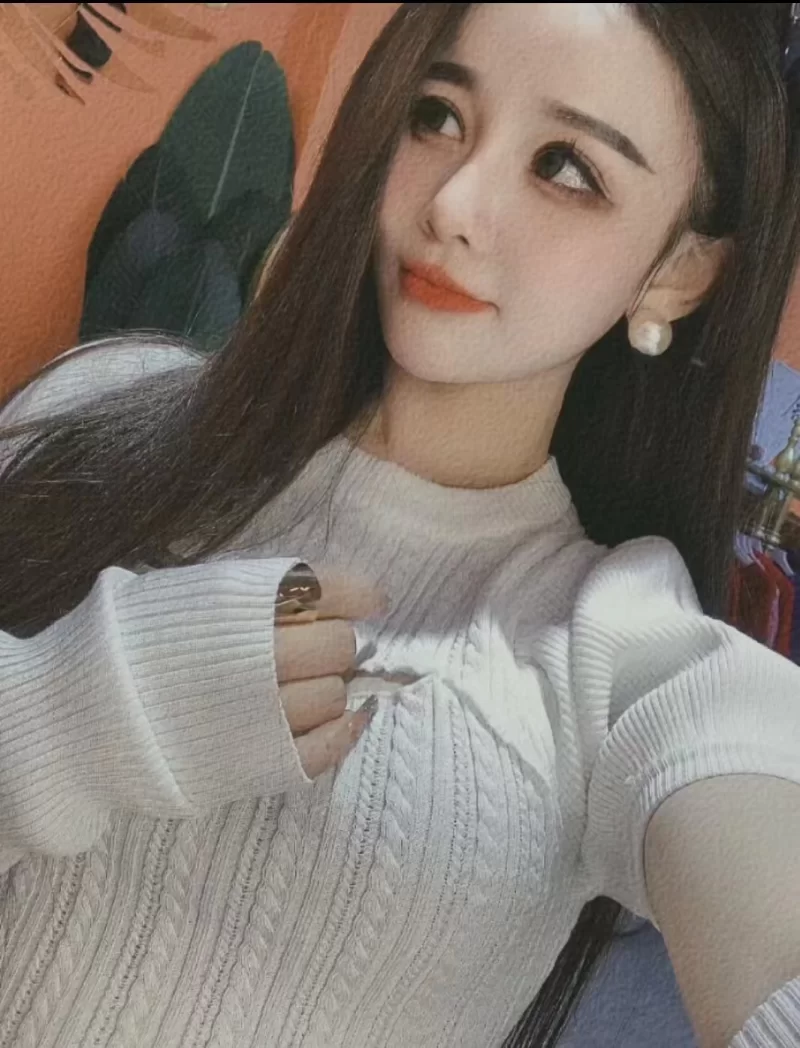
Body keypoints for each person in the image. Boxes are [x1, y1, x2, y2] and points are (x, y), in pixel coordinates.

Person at [1, 4, 799, 1047]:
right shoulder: (93, 416)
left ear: (679, 271)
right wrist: (77, 709)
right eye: (437, 115)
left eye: (565, 168)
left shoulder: (618, 647)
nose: (453, 204)